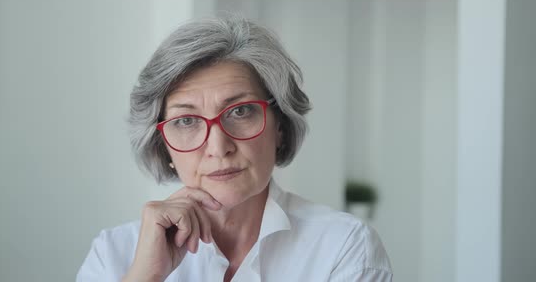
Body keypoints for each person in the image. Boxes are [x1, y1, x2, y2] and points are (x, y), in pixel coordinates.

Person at [76, 15, 392, 282]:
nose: (218, 146)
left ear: (279, 126)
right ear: (162, 144)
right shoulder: (115, 254)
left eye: (240, 112)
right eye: (186, 121)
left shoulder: (344, 246)